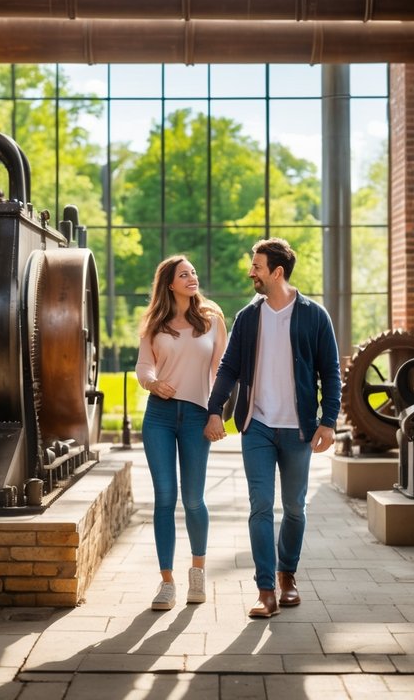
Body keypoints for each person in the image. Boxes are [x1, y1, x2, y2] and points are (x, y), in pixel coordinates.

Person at [205, 237, 341, 618]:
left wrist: (329, 421)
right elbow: (230, 367)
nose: (251, 272)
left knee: (295, 508)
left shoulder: (315, 315)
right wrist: (215, 409)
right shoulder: (249, 317)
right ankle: (265, 589)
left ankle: (287, 577)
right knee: (261, 506)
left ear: (277, 272)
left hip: (298, 430)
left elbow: (330, 372)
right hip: (258, 425)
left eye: (257, 266)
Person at [135, 255, 229, 610]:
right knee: (164, 497)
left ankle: (197, 573)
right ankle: (166, 582)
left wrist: (216, 413)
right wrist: (153, 383)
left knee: (193, 499)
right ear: (169, 283)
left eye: (193, 272)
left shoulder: (211, 319)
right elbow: (144, 366)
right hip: (158, 416)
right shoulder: (155, 324)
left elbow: (223, 369)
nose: (192, 277)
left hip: (196, 416)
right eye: (183, 274)